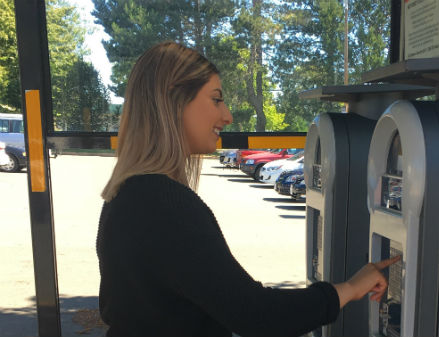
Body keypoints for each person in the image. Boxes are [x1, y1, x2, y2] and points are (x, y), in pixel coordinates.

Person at [97, 41, 399, 337]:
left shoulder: (124, 195)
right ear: (174, 100)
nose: (227, 115)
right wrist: (348, 289)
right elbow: (256, 314)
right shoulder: (165, 205)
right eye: (216, 99)